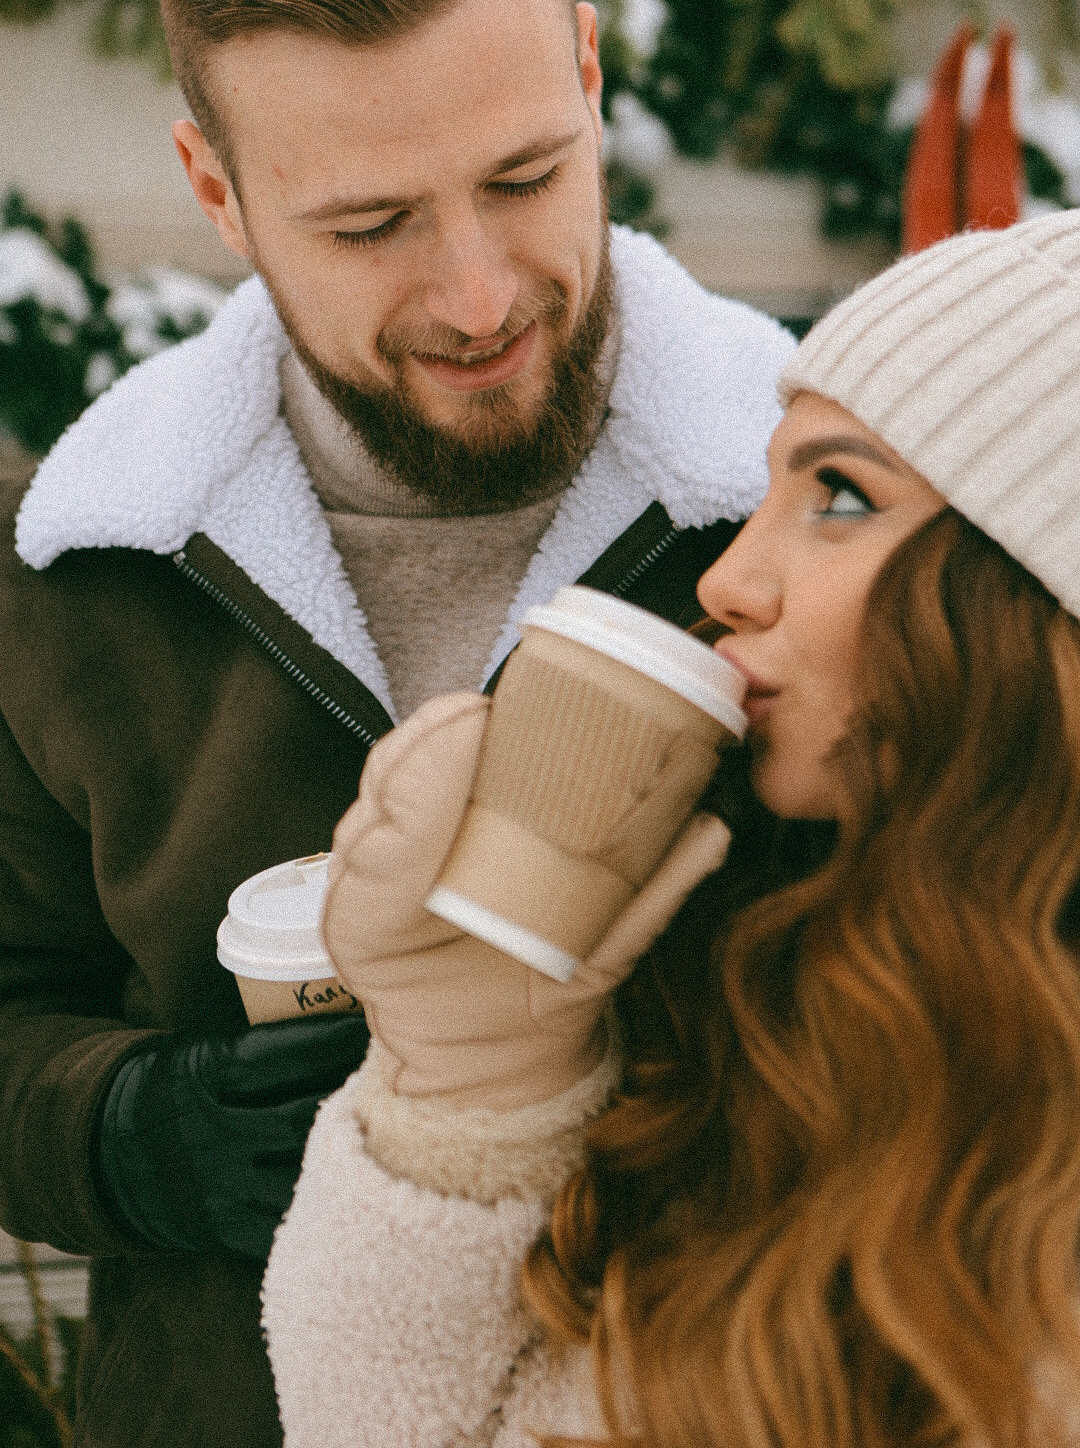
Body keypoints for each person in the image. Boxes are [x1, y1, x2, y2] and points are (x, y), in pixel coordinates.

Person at [0, 0, 794, 1443]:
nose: (479, 294)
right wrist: (131, 1137)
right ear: (216, 191)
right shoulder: (76, 576)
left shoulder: (815, 512)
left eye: (525, 178)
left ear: (587, 74)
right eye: (370, 226)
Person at [263, 209, 1080, 1448]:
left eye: (841, 494)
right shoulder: (800, 1026)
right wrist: (469, 1094)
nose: (726, 581)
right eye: (772, 489)